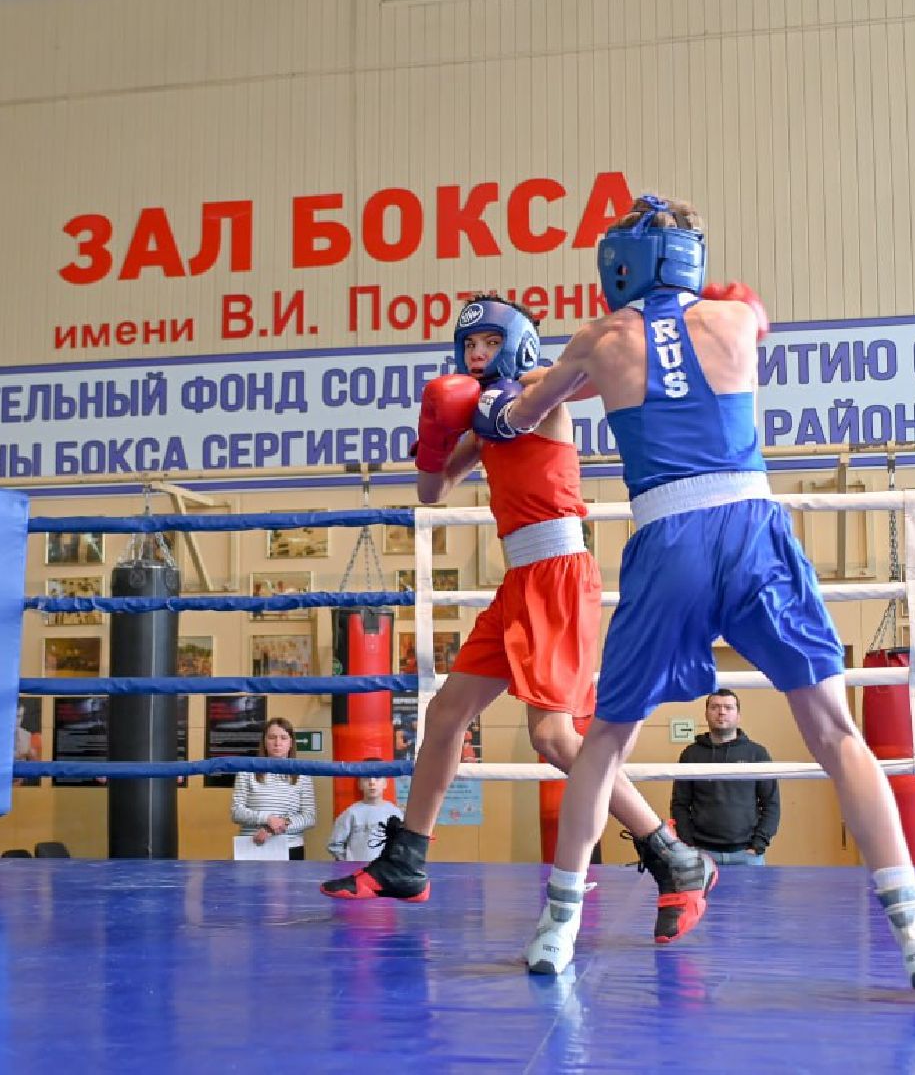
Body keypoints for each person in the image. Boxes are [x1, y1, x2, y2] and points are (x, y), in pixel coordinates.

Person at [492, 194, 915, 987]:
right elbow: (739, 331)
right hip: (752, 528)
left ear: (618, 264)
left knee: (606, 740)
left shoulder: (599, 338)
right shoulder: (734, 319)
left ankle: (556, 930)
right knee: (834, 731)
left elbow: (521, 417)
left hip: (667, 538)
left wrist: (501, 395)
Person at [322, 294, 711, 947]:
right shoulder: (479, 417)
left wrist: (499, 399)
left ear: (516, 344)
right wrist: (435, 438)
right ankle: (406, 860)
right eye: (468, 346)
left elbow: (570, 385)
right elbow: (430, 492)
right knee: (445, 714)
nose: (477, 355)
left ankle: (673, 855)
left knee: (555, 738)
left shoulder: (538, 390)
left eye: (488, 344)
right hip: (518, 581)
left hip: (558, 576)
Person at [671, 690, 779, 866]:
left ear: (738, 715)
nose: (721, 712)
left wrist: (758, 845)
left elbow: (771, 803)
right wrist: (689, 845)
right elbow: (680, 804)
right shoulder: (691, 754)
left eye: (728, 707)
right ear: (706, 714)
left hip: (747, 855)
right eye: (715, 707)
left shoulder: (757, 754)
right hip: (701, 854)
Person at [231, 717, 317, 860]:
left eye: (283, 738)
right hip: (252, 845)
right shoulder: (246, 771)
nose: (277, 743)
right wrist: (267, 818)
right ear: (264, 741)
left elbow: (309, 817)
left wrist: (275, 827)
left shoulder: (302, 774)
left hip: (290, 847)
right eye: (272, 737)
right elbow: (236, 812)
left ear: (291, 743)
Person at [327, 767, 404, 863]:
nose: (372, 782)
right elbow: (334, 844)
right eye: (367, 778)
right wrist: (348, 863)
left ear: (385, 783)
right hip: (357, 869)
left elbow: (403, 844)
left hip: (385, 869)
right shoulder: (351, 813)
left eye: (377, 777)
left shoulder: (395, 812)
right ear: (359, 784)